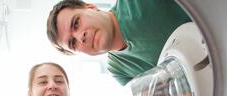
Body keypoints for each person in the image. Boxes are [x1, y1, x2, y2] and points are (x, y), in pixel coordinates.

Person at [46, 0, 191, 86]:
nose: (80, 37)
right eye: (72, 43)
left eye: (76, 23)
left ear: (90, 7)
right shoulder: (118, 70)